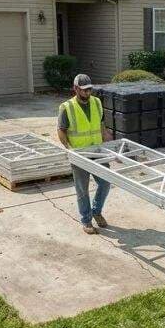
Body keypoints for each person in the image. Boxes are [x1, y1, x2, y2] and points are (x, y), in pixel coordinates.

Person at [58, 73, 109, 234]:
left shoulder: (97, 102)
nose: (88, 93)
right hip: (79, 154)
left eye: (89, 90)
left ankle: (96, 211)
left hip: (97, 151)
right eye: (84, 90)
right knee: (82, 190)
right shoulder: (67, 107)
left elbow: (101, 125)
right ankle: (86, 220)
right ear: (75, 89)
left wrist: (107, 141)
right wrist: (69, 149)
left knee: (105, 183)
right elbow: (61, 130)